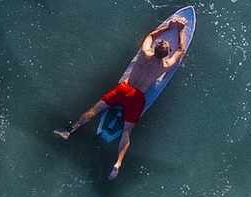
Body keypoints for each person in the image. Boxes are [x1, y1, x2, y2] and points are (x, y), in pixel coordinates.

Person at [54, 16, 188, 180]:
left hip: (123, 89)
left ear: (155, 49)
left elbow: (151, 36)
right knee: (126, 131)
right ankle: (117, 165)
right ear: (167, 53)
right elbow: (181, 50)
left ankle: (70, 131)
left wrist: (168, 27)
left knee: (95, 109)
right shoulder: (165, 65)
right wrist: (180, 29)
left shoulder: (145, 53)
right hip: (137, 97)